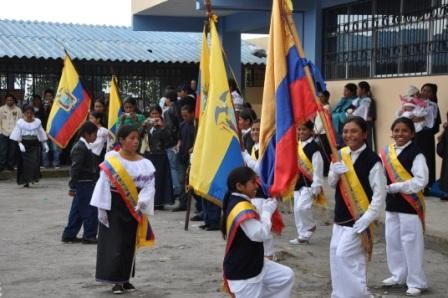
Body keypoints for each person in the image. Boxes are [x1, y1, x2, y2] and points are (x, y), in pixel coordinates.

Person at [90, 125, 156, 294]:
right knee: (114, 243)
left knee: (129, 243)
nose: (135, 142)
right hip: (113, 204)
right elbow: (103, 183)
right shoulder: (113, 159)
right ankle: (115, 280)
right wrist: (102, 207)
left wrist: (142, 203)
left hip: (134, 204)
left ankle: (125, 278)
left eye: (137, 138)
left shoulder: (145, 163)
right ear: (121, 140)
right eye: (131, 138)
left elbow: (149, 186)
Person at [328, 116, 386, 298]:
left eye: (354, 131)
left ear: (364, 134)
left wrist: (367, 218)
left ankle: (358, 294)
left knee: (347, 257)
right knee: (335, 257)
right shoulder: (340, 154)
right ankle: (339, 293)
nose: (349, 135)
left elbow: (379, 195)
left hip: (359, 219)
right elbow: (331, 183)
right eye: (345, 131)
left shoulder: (373, 160)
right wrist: (335, 173)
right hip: (341, 217)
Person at [222, 166, 295, 298]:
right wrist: (267, 212)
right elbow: (260, 234)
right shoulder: (240, 207)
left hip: (253, 261)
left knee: (285, 276)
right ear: (240, 186)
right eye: (253, 183)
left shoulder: (239, 201)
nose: (257, 186)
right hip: (244, 270)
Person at [379, 117, 428, 296]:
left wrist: (397, 187)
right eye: (397, 130)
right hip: (391, 204)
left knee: (411, 242)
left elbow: (421, 180)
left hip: (410, 206)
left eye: (404, 131)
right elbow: (379, 173)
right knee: (393, 241)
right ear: (392, 133)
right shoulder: (386, 152)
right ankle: (398, 275)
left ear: (412, 134)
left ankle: (416, 281)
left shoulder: (417, 154)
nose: (400, 134)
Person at [241, 119, 280, 259]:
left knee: (264, 223)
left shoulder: (268, 149)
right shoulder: (255, 147)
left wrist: (244, 154)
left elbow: (260, 169)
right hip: (254, 191)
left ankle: (268, 255)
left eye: (258, 129)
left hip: (265, 192)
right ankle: (261, 254)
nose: (255, 132)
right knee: (257, 223)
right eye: (253, 130)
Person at [61, 121, 99, 244]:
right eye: (94, 134)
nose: (96, 137)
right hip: (84, 183)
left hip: (85, 182)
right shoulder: (80, 148)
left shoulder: (84, 146)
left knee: (77, 210)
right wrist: (72, 186)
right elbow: (75, 168)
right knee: (90, 209)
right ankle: (89, 235)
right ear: (87, 134)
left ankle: (69, 234)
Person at [290, 121, 326, 245]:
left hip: (309, 183)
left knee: (302, 207)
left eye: (304, 129)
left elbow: (318, 167)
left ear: (311, 131)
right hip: (297, 182)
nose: (301, 132)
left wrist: (316, 185)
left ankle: (310, 226)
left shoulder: (314, 148)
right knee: (296, 209)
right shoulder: (297, 145)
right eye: (299, 129)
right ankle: (302, 235)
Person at [141, 105, 174, 210]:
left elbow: (170, 140)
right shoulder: (147, 125)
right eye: (152, 113)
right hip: (148, 155)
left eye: (156, 113)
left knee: (160, 179)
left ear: (160, 114)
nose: (154, 116)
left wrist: (162, 127)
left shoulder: (164, 125)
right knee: (148, 179)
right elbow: (138, 136)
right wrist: (143, 126)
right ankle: (149, 201)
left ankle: (160, 202)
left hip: (160, 155)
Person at [9, 104, 48, 187]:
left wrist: (44, 143)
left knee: (35, 163)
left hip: (35, 144)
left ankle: (33, 178)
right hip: (24, 144)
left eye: (31, 113)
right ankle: (25, 181)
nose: (29, 115)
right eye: (27, 113)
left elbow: (41, 132)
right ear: (24, 113)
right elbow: (17, 134)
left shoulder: (37, 122)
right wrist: (20, 144)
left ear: (33, 113)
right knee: (25, 164)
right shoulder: (20, 123)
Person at [418, 83, 441, 193]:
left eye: (428, 91)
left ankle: (427, 186)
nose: (425, 93)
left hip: (426, 138)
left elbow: (436, 126)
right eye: (423, 90)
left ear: (433, 94)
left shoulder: (433, 106)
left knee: (427, 161)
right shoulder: (416, 104)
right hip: (415, 137)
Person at [172, 104, 195, 212]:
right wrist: (178, 145)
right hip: (182, 156)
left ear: (192, 113)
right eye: (183, 116)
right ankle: (182, 203)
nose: (184, 118)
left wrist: (194, 147)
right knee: (181, 180)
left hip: (192, 157)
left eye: (186, 115)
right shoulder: (182, 125)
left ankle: (198, 205)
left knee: (192, 181)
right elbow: (180, 138)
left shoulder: (197, 125)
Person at [0, 93, 22, 172]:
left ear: (13, 100)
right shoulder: (1, 109)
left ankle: (10, 166)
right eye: (8, 100)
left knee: (12, 151)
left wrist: (18, 133)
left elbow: (20, 122)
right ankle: (2, 165)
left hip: (14, 133)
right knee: (3, 150)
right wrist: (0, 132)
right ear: (5, 100)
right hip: (3, 132)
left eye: (11, 100)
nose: (9, 101)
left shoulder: (18, 110)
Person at [331, 83, 357, 148]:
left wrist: (337, 115)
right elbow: (333, 112)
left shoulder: (355, 102)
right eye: (344, 90)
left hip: (347, 127)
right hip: (338, 130)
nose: (344, 92)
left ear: (352, 92)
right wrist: (338, 114)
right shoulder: (343, 100)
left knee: (347, 147)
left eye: (346, 91)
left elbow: (346, 116)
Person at [352, 81, 376, 150]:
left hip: (367, 126)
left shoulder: (369, 101)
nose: (356, 90)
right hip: (357, 125)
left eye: (358, 88)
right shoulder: (356, 101)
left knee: (368, 144)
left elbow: (371, 116)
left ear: (363, 90)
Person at [42, 89, 62, 168]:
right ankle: (45, 164)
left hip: (55, 130)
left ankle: (56, 163)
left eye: (50, 96)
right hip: (44, 130)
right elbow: (41, 117)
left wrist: (51, 106)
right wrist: (45, 108)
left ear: (53, 97)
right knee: (45, 148)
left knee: (55, 148)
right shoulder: (42, 106)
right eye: (46, 96)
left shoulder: (57, 105)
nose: (48, 98)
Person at [314, 90, 332, 176]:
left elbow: (324, 121)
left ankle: (327, 170)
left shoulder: (326, 107)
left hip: (323, 133)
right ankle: (324, 169)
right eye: (319, 96)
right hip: (318, 132)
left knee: (325, 152)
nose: (320, 98)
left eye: (322, 96)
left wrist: (317, 131)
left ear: (327, 97)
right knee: (321, 152)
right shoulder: (321, 107)